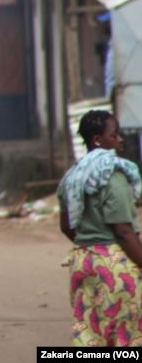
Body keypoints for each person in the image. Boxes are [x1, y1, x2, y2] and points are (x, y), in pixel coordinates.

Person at [58, 110, 142, 347]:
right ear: (98, 140)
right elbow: (123, 231)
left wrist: (90, 243)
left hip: (82, 262)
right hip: (116, 267)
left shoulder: (71, 178)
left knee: (90, 337)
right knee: (126, 337)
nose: (120, 140)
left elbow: (66, 226)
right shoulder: (112, 176)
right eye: (114, 135)